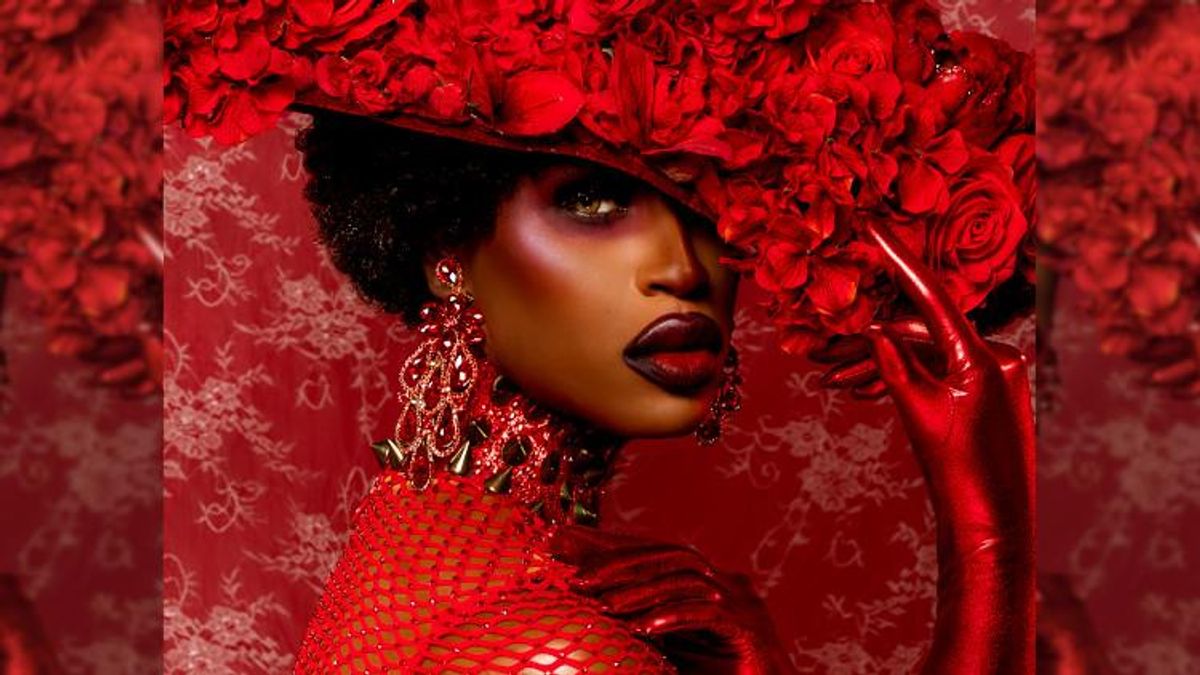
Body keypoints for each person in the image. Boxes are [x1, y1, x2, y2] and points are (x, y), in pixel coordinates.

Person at [164, 0, 1036, 671]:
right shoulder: (556, 651)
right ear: (444, 248)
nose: (685, 270)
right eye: (592, 200)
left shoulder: (420, 553)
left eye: (714, 213)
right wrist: (988, 532)